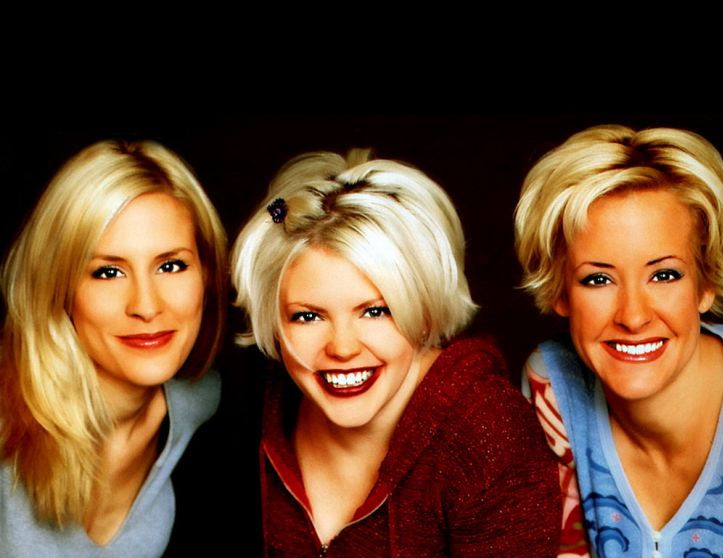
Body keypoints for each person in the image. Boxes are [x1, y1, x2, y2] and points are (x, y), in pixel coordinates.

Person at [231, 148, 561, 556]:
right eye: (308, 317)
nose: (343, 347)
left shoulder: (487, 434)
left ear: (423, 311)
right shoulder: (251, 401)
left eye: (375, 311)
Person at [514, 124, 723, 558]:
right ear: (561, 291)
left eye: (664, 275)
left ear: (707, 282)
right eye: (598, 279)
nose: (633, 317)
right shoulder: (554, 387)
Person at [0, 139, 228, 557]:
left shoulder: (199, 399)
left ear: (207, 275)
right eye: (107, 272)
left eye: (171, 265)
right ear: (58, 288)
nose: (146, 306)